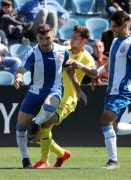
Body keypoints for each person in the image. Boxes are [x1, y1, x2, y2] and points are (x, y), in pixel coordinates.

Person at [30, 25, 98, 169]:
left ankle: (44, 161)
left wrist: (78, 65)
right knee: (36, 136)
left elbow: (94, 72)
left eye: (75, 38)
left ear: (84, 41)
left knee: (45, 124)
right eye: (71, 37)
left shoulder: (86, 57)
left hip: (67, 100)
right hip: (52, 96)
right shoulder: (63, 51)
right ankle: (62, 153)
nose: (71, 40)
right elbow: (66, 71)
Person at [14, 24, 74, 168]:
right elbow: (21, 69)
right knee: (20, 125)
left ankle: (36, 123)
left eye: (48, 38)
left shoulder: (62, 51)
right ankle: (25, 160)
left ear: (53, 36)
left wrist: (78, 89)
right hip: (34, 91)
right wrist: (18, 77)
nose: (45, 42)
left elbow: (69, 70)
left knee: (49, 106)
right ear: (37, 38)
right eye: (41, 39)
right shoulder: (32, 53)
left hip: (54, 90)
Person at [98, 11, 131, 170]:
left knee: (105, 120)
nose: (112, 30)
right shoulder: (115, 40)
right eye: (111, 26)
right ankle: (113, 161)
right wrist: (97, 72)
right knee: (115, 126)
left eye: (115, 27)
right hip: (112, 89)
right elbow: (111, 62)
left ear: (125, 24)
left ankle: (113, 161)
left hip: (123, 90)